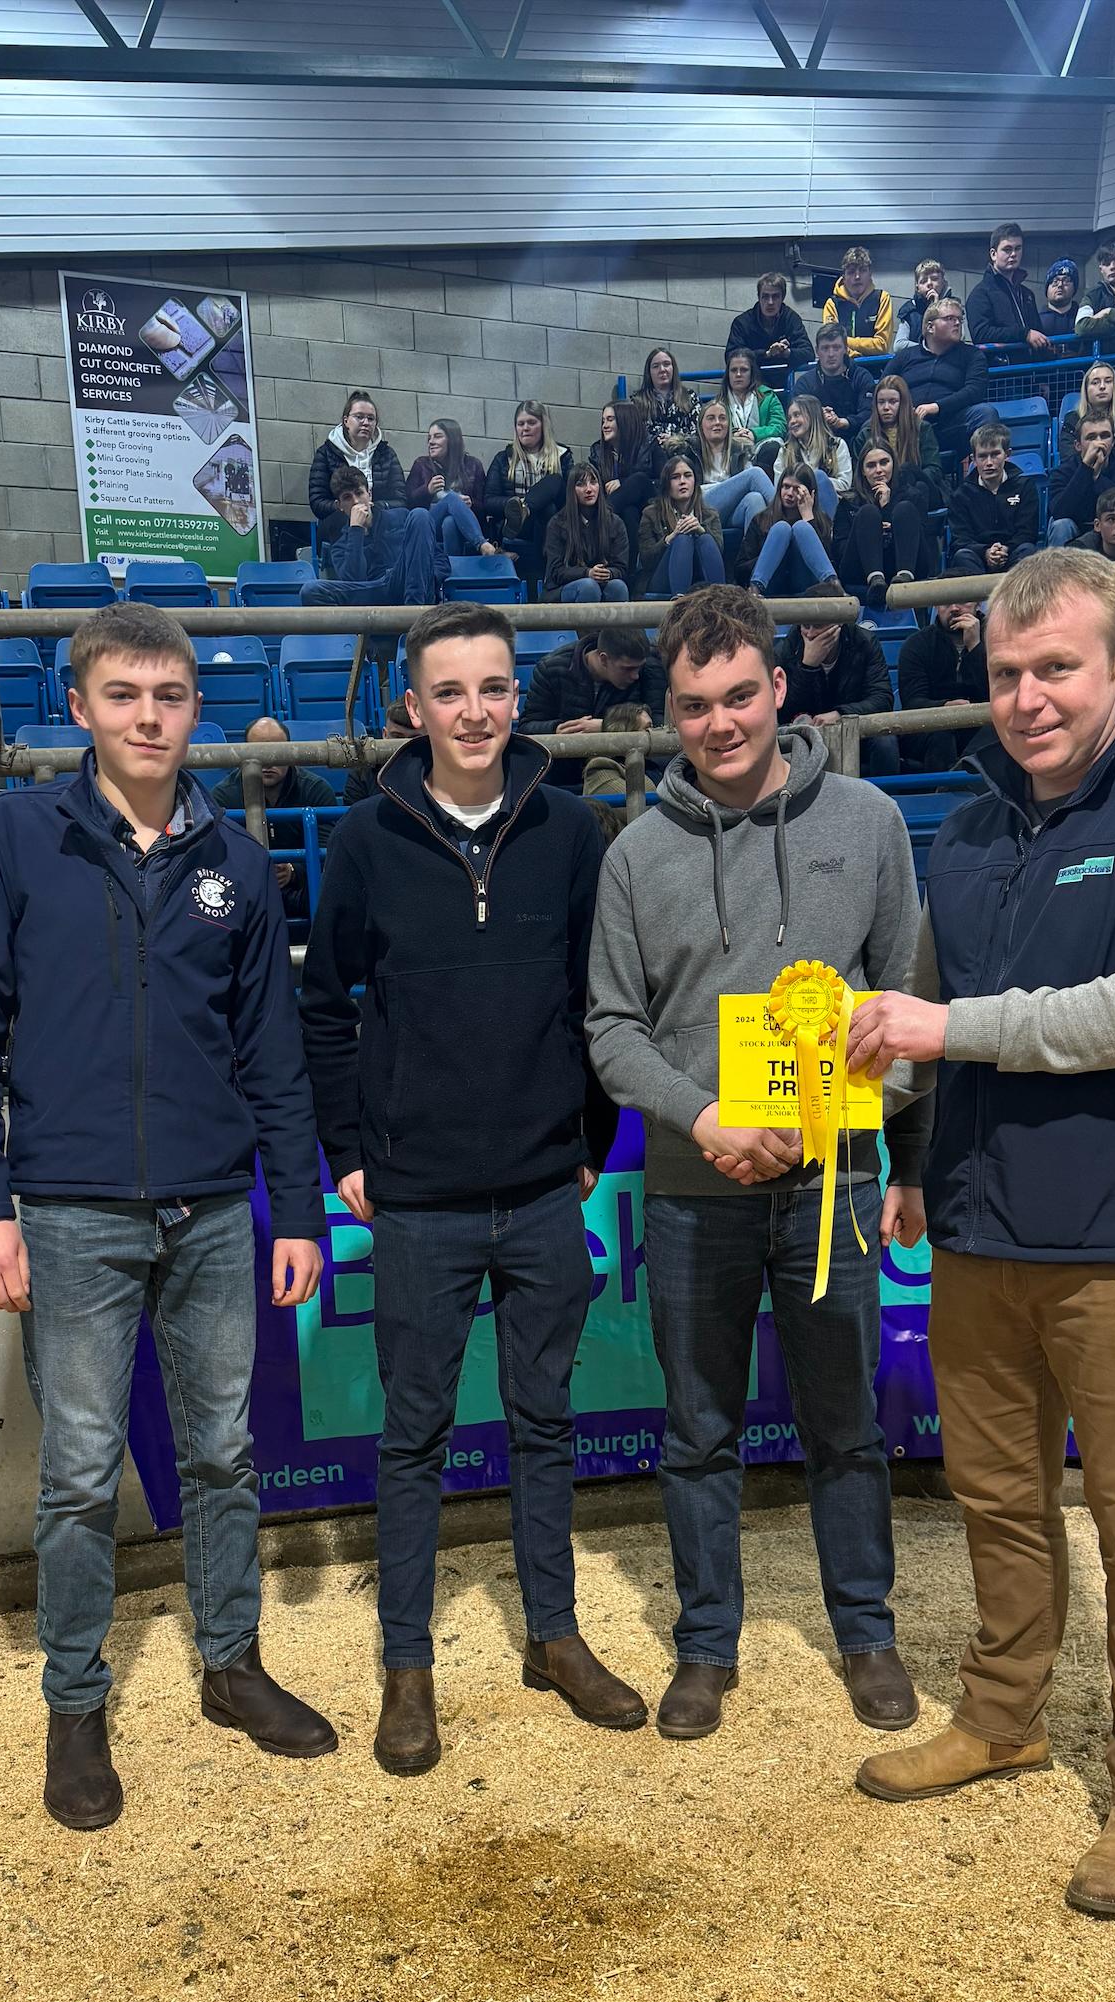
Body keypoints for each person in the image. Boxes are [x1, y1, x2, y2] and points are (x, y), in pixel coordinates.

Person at [846, 545, 1115, 1920]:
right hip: (979, 1234)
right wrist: (844, 1122)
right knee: (995, 1501)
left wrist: (941, 1031)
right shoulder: (969, 827)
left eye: (1055, 668)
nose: (1026, 698)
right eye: (1004, 673)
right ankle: (1002, 1714)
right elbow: (915, 1031)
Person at [0, 601, 334, 1828]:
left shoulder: (238, 863)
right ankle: (74, 1700)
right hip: (67, 1211)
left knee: (223, 1452)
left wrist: (298, 1209)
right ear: (80, 706)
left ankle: (230, 1662)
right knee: (77, 1470)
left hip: (213, 1207)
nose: (148, 717)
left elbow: (274, 1056)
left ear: (194, 706)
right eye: (123, 696)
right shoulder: (15, 837)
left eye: (168, 696)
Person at [585, 583, 926, 1742]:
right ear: (669, 711)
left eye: (738, 695)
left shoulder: (869, 823)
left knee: (845, 1425)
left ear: (779, 688)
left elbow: (905, 1002)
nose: (719, 722)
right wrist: (704, 1118)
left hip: (839, 1185)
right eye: (694, 705)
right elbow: (611, 1029)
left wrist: (902, 1154)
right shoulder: (635, 855)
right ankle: (705, 1644)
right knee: (697, 1432)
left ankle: (865, 1631)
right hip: (695, 1193)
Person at [299, 600, 633, 1776]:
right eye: (449, 691)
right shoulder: (363, 839)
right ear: (414, 707)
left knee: (546, 1421)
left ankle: (555, 1635)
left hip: (544, 1191)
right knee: (414, 1436)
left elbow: (599, 1000)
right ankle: (407, 1666)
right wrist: (349, 1152)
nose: (474, 711)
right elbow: (324, 1006)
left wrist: (592, 1137)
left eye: (492, 687)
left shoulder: (573, 830)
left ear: (515, 697)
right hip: (418, 1203)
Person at [780, 613, 900, 778]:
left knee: (885, 741)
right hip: (807, 733)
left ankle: (887, 793)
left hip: (857, 731)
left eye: (818, 626)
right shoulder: (790, 645)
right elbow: (782, 709)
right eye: (805, 625)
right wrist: (808, 666)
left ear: (838, 624)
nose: (810, 633)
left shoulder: (864, 641)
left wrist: (841, 714)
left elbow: (882, 698)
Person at [303, 467, 443, 606]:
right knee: (311, 590)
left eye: (359, 493)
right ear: (339, 506)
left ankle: (413, 610)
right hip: (372, 592)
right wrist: (356, 530)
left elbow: (441, 561)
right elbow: (354, 582)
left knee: (420, 515)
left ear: (369, 494)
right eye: (347, 497)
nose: (356, 501)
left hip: (408, 583)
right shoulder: (340, 546)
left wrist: (424, 577)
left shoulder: (402, 517)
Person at [484, 399, 571, 590]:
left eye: (531, 422)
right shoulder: (503, 458)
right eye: (520, 424)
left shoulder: (562, 456)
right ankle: (547, 580)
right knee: (544, 509)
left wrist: (527, 503)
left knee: (553, 487)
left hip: (554, 522)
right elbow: (488, 501)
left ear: (543, 425)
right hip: (514, 527)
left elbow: (570, 497)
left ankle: (525, 509)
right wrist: (513, 504)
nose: (525, 428)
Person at [520, 621, 665, 734]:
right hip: (567, 758)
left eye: (639, 667)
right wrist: (557, 729)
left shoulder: (649, 664)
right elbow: (527, 727)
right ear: (603, 659)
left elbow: (660, 724)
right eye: (627, 669)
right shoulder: (551, 669)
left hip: (625, 758)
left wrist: (607, 726)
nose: (635, 675)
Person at [898, 600, 988, 772]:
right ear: (936, 607)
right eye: (945, 603)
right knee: (940, 732)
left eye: (963, 601)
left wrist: (975, 647)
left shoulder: (997, 639)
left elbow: (997, 693)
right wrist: (945, 707)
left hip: (981, 724)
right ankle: (947, 785)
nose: (954, 608)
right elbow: (912, 702)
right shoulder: (917, 644)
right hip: (931, 729)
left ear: (978, 604)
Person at [308, 389, 406, 545]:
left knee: (403, 516)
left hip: (378, 519)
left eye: (371, 418)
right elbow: (317, 502)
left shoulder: (386, 453)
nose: (366, 422)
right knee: (342, 520)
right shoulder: (326, 453)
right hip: (339, 520)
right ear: (346, 421)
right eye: (359, 417)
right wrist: (348, 507)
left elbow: (401, 499)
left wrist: (375, 507)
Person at [838, 439, 931, 601]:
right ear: (863, 471)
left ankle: (904, 577)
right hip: (860, 570)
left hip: (906, 564)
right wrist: (869, 535)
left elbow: (920, 542)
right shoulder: (848, 502)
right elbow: (840, 550)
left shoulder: (913, 496)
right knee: (868, 513)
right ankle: (876, 579)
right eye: (871, 465)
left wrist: (887, 508)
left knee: (905, 509)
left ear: (893, 464)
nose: (879, 470)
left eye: (884, 462)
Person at [887, 296, 990, 438]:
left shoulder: (972, 354)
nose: (957, 323)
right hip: (907, 424)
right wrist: (903, 411)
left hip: (951, 422)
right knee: (870, 424)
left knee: (984, 413)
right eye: (950, 318)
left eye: (959, 319)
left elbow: (975, 391)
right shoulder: (905, 356)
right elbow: (884, 387)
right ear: (930, 327)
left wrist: (937, 407)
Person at [1046, 408, 1115, 547]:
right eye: (1091, 437)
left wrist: (1097, 477)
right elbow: (1059, 512)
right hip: (1079, 533)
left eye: (1105, 436)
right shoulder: (1063, 471)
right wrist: (1085, 470)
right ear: (1078, 445)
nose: (1098, 443)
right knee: (1060, 525)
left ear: (1113, 441)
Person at [946, 421, 1039, 575]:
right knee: (962, 556)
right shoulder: (960, 495)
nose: (989, 462)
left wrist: (1005, 549)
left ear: (1007, 454)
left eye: (995, 454)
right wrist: (986, 552)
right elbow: (960, 539)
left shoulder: (1025, 486)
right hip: (977, 557)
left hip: (1013, 553)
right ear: (973, 459)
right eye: (982, 456)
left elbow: (1028, 533)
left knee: (1028, 551)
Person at [209, 713, 340, 820]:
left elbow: (326, 842)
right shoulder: (223, 796)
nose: (268, 763)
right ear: (244, 755)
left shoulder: (316, 790)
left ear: (290, 753)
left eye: (276, 753)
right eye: (259, 753)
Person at [738, 468, 840, 597]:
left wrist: (808, 518)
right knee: (781, 528)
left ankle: (834, 585)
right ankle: (755, 590)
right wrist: (773, 555)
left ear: (810, 494)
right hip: (770, 585)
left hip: (806, 586)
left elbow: (827, 561)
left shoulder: (822, 520)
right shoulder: (761, 519)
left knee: (801, 527)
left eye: (797, 489)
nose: (790, 493)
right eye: (786, 487)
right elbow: (740, 570)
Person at [405, 417, 498, 557]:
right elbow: (408, 502)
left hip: (462, 529)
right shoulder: (421, 464)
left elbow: (485, 506)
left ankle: (452, 567)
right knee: (451, 499)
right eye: (429, 438)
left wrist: (471, 503)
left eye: (437, 436)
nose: (431, 442)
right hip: (429, 525)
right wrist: (427, 490)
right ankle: (482, 544)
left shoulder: (473, 465)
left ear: (452, 439)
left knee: (450, 523)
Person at [543, 458, 632, 603]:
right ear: (572, 490)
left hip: (601, 583)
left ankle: (617, 621)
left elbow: (621, 567)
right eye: (581, 484)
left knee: (618, 587)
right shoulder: (557, 524)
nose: (589, 489)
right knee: (588, 587)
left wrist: (607, 573)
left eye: (593, 482)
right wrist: (587, 573)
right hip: (562, 588)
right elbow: (556, 571)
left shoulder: (615, 523)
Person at [637, 455, 727, 597]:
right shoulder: (651, 513)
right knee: (682, 538)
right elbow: (647, 560)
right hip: (661, 579)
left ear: (695, 481)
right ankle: (679, 599)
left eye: (688, 475)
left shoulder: (710, 514)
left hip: (699, 577)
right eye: (675, 477)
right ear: (667, 484)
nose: (682, 481)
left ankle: (720, 598)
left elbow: (718, 550)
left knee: (705, 538)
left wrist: (701, 531)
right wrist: (671, 538)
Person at [695, 397, 776, 544]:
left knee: (755, 499)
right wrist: (728, 487)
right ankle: (783, 513)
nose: (717, 422)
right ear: (701, 425)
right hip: (701, 508)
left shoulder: (739, 452)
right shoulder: (690, 451)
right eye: (711, 418)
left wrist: (733, 490)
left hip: (730, 511)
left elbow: (748, 486)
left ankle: (754, 555)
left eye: (722, 418)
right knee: (755, 474)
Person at [590, 398, 661, 561]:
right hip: (623, 512)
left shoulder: (650, 445)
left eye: (610, 420)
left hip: (649, 505)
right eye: (603, 421)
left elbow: (663, 482)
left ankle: (599, 518)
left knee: (639, 479)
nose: (604, 425)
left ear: (625, 420)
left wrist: (624, 482)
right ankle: (629, 570)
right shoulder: (598, 451)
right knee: (629, 512)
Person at [863, 371, 945, 510]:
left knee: (912, 476)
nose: (886, 407)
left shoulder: (921, 428)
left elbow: (934, 469)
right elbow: (861, 473)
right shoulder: (866, 433)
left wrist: (902, 482)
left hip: (917, 488)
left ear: (903, 403)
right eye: (881, 402)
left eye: (892, 402)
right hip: (879, 489)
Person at [581, 701, 658, 843]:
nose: (653, 734)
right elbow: (647, 810)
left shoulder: (652, 766)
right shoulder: (600, 768)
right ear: (626, 733)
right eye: (647, 728)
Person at [965, 223, 1048, 353]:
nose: (1014, 254)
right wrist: (1024, 334)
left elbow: (1037, 333)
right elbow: (981, 334)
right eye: (1007, 249)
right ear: (993, 254)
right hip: (1002, 365)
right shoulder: (980, 295)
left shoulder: (1027, 294)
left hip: (1032, 364)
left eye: (1018, 248)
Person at [796, 322, 878, 446]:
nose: (831, 354)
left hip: (855, 442)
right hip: (815, 442)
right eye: (825, 348)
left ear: (845, 349)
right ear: (817, 351)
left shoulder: (861, 377)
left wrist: (844, 422)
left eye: (836, 348)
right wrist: (817, 416)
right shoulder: (805, 383)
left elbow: (869, 412)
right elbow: (795, 415)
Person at [774, 392, 850, 516]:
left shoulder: (836, 445)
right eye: (790, 418)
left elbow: (845, 484)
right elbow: (778, 487)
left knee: (819, 476)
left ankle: (825, 527)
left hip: (827, 507)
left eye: (797, 415)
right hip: (794, 509)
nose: (792, 421)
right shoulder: (785, 450)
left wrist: (812, 484)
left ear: (813, 416)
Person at [724, 271, 812, 374]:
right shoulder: (742, 322)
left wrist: (786, 352)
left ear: (782, 298)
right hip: (752, 381)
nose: (770, 302)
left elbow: (809, 354)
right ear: (759, 297)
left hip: (782, 381)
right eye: (765, 296)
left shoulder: (791, 319)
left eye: (775, 296)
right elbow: (731, 357)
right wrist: (766, 354)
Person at [822, 246, 897, 360]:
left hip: (875, 367)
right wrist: (855, 356)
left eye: (862, 270)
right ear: (844, 277)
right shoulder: (832, 304)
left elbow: (882, 345)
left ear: (870, 273)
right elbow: (832, 344)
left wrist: (844, 341)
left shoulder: (882, 298)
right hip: (843, 366)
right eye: (851, 272)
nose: (857, 277)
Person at [1058, 358, 1115, 460]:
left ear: (1114, 387)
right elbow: (1068, 458)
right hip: (1082, 469)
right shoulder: (1072, 419)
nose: (1102, 386)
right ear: (1086, 389)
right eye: (1095, 382)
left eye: (1108, 381)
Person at [636, 348, 704, 463]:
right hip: (650, 459)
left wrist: (675, 440)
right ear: (649, 372)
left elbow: (698, 434)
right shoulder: (637, 401)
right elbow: (636, 436)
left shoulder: (690, 397)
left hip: (685, 456)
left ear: (673, 368)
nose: (662, 370)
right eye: (656, 366)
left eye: (666, 364)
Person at [721, 347, 787, 449]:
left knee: (774, 445)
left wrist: (754, 434)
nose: (738, 374)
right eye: (733, 370)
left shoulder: (768, 396)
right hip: (729, 450)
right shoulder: (719, 403)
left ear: (752, 373)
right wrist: (734, 434)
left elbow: (780, 426)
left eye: (744, 370)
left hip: (762, 449)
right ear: (728, 374)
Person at [899, 259, 949, 347]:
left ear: (943, 282)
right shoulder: (910, 310)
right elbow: (899, 344)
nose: (929, 283)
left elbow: (957, 340)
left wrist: (937, 310)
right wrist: (926, 348)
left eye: (934, 279)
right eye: (923, 281)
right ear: (917, 287)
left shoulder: (953, 308)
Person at [1039, 259, 1081, 341]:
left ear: (1074, 288)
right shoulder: (1036, 321)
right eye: (1055, 281)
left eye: (1066, 281)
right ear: (1047, 288)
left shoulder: (1082, 319)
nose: (1060, 285)